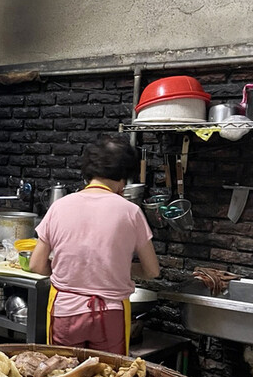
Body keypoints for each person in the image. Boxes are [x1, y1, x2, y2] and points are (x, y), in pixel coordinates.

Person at [29, 134, 160, 354]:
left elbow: (36, 265)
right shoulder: (131, 211)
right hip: (111, 314)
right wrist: (113, 266)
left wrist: (70, 267)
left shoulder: (60, 206)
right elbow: (152, 270)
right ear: (123, 177)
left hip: (66, 312)